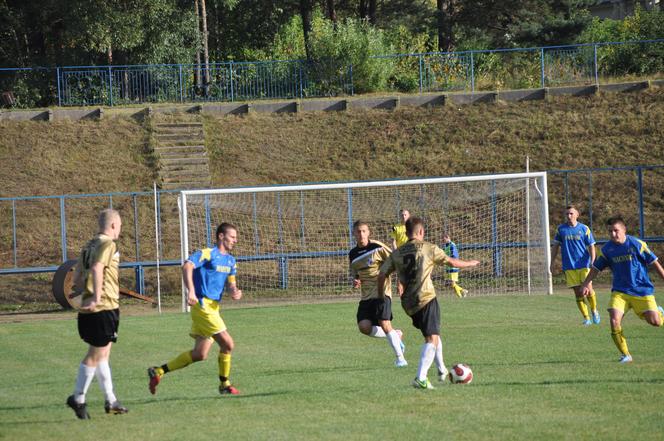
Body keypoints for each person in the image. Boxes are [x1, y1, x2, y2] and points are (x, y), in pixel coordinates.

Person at [377, 217, 480, 389]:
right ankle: (421, 377)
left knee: (432, 334)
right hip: (426, 298)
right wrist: (470, 263)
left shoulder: (397, 253)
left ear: (406, 232)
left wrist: (381, 297)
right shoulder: (428, 248)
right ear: (421, 232)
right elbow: (451, 262)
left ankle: (441, 370)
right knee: (432, 338)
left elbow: (381, 275)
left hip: (408, 303)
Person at [148, 222, 243, 395]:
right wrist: (191, 291)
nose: (235, 241)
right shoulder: (208, 253)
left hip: (214, 307)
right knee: (228, 344)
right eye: (232, 237)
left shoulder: (231, 261)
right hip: (202, 305)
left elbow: (231, 286)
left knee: (200, 354)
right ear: (221, 236)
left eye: (236, 237)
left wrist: (235, 292)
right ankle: (225, 384)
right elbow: (187, 266)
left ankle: (158, 371)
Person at [66, 208, 128, 419]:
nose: (119, 230)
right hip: (102, 307)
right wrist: (97, 297)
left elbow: (75, 278)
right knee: (95, 356)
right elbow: (97, 268)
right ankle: (78, 397)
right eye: (119, 226)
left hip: (94, 308)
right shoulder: (107, 244)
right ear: (113, 225)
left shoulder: (88, 245)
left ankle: (111, 400)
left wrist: (86, 293)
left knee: (103, 355)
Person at [581, 216, 664, 363]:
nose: (613, 234)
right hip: (620, 292)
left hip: (642, 290)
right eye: (610, 231)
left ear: (624, 230)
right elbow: (595, 268)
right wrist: (586, 283)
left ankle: (659, 312)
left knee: (656, 322)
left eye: (616, 230)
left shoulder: (637, 244)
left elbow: (655, 263)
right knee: (614, 320)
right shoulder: (607, 249)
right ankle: (626, 355)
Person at [349, 220, 407, 367]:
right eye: (358, 231)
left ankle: (400, 358)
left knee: (384, 323)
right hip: (366, 297)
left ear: (368, 232)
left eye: (364, 231)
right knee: (364, 327)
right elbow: (356, 273)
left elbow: (396, 260)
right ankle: (396, 334)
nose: (361, 234)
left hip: (382, 292)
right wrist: (356, 281)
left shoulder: (377, 247)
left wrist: (400, 281)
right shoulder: (353, 254)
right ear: (354, 234)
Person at [550, 205, 600, 326]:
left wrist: (593, 261)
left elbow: (591, 246)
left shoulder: (584, 229)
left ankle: (594, 311)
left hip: (584, 265)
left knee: (588, 290)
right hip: (569, 266)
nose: (569, 216)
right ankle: (586, 318)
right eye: (567, 214)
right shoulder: (561, 229)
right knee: (578, 293)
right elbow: (555, 246)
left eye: (571, 213)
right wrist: (551, 262)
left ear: (577, 214)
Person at [442, 233, 469, 298]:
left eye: (444, 239)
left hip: (453, 266)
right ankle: (463, 291)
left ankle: (460, 296)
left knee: (452, 283)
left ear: (448, 238)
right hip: (448, 266)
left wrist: (449, 260)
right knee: (449, 284)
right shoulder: (445, 246)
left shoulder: (452, 245)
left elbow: (455, 256)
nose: (443, 241)